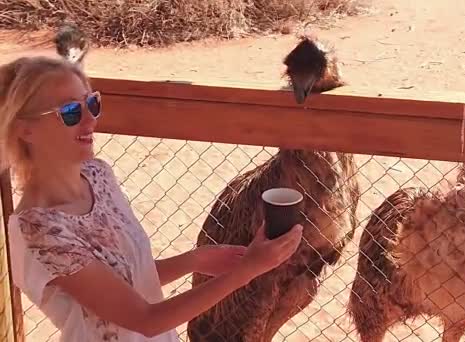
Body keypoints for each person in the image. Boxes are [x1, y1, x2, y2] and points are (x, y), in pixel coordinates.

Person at [0, 55, 303, 341]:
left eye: (92, 104)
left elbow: (124, 282)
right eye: (70, 113)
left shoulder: (97, 175)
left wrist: (193, 260)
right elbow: (144, 318)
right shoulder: (37, 229)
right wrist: (246, 270)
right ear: (25, 129)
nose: (90, 121)